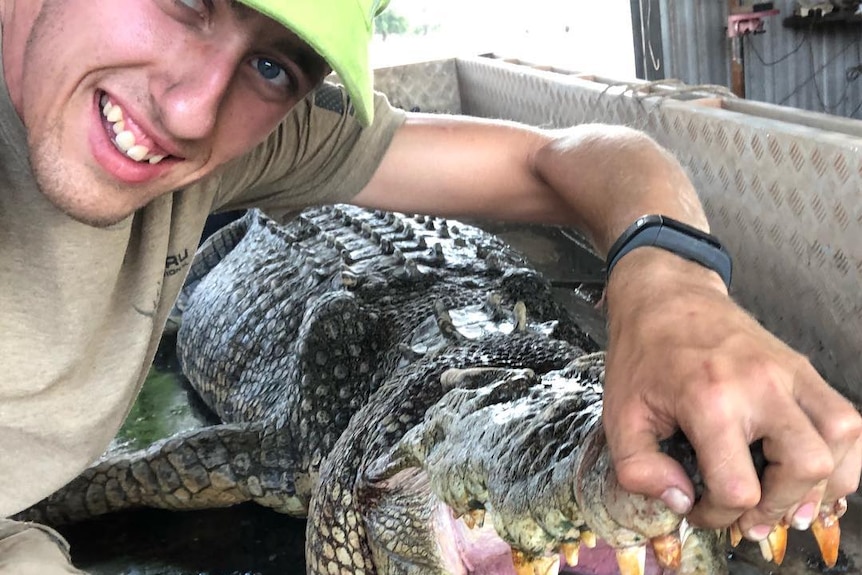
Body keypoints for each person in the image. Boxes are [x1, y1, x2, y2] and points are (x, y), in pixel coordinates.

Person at [0, 0, 859, 572]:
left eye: (275, 64)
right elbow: (136, 474)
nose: (192, 111)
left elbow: (567, 155)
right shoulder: (305, 445)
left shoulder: (254, 136)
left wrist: (672, 281)